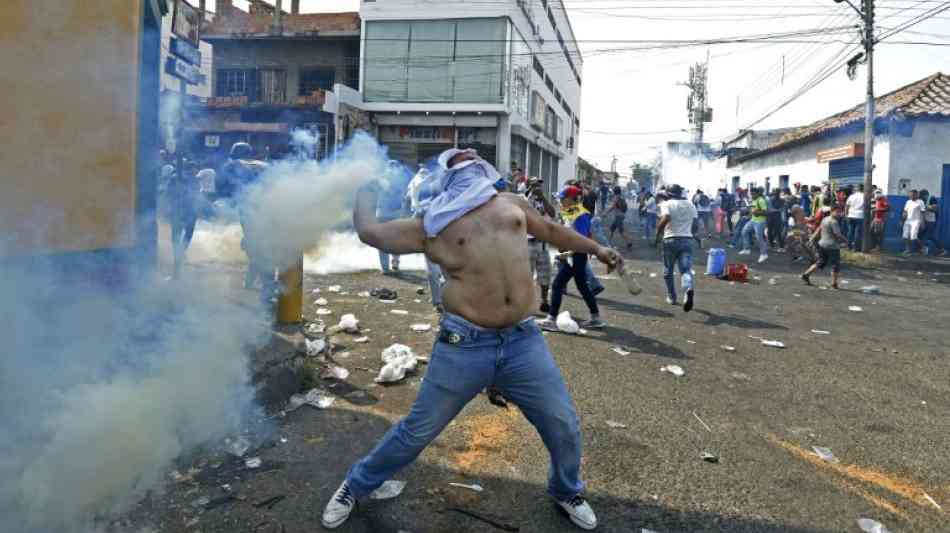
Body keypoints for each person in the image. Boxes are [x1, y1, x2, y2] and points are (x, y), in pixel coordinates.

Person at [322, 148, 621, 531]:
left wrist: (597, 248)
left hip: (522, 341)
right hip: (465, 343)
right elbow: (371, 234)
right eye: (459, 156)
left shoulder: (513, 204)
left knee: (562, 422)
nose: (469, 156)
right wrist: (362, 191)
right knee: (417, 431)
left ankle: (566, 490)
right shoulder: (432, 222)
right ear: (447, 173)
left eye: (473, 154)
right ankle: (355, 485)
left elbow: (550, 230)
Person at [538, 185, 609, 331]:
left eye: (562, 198)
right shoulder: (572, 211)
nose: (560, 201)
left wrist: (569, 252)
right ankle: (596, 318)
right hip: (575, 255)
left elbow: (582, 237)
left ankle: (551, 319)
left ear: (571, 199)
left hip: (576, 256)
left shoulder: (580, 214)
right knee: (582, 287)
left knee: (557, 285)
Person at [221, 142, 276, 299]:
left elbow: (225, 189)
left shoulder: (233, 165)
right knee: (261, 244)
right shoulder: (265, 165)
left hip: (249, 210)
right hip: (272, 209)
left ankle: (267, 283)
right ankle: (252, 280)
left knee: (255, 246)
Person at [406, 166, 446, 312]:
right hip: (448, 244)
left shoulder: (423, 206)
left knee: (433, 272)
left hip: (430, 244)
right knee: (446, 272)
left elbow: (412, 223)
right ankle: (445, 299)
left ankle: (438, 301)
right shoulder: (452, 205)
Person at [655, 184, 697, 312]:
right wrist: (690, 234)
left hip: (671, 240)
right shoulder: (690, 204)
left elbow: (666, 217)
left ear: (668, 194)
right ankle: (688, 288)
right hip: (687, 240)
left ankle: (672, 297)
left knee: (668, 270)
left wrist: (658, 232)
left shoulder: (667, 204)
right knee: (685, 270)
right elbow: (695, 225)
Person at [526, 177, 557, 313]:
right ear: (529, 186)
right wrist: (530, 196)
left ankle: (544, 301)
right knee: (527, 275)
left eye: (539, 185)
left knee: (545, 274)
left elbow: (552, 213)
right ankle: (525, 304)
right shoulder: (524, 199)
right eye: (535, 185)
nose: (538, 188)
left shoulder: (543, 201)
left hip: (543, 243)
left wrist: (542, 197)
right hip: (528, 243)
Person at [802, 204, 848, 289]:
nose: (839, 213)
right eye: (837, 212)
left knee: (820, 262)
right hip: (832, 246)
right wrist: (846, 241)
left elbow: (819, 229)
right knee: (835, 265)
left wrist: (812, 238)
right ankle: (834, 284)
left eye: (840, 212)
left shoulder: (825, 219)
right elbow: (837, 234)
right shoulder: (834, 221)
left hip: (822, 244)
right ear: (832, 211)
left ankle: (806, 274)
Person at [167, 162, 200, 279]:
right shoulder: (194, 180)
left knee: (177, 239)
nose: (195, 171)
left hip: (180, 212)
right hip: (187, 212)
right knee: (184, 237)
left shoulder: (175, 178)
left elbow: (168, 195)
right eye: (193, 169)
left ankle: (178, 261)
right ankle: (179, 257)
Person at [378, 160, 412, 273]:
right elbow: (406, 197)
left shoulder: (380, 179)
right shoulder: (401, 180)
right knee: (396, 240)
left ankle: (385, 268)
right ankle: (395, 262)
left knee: (382, 241)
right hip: (395, 214)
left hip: (383, 214)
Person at [739, 187, 770, 263]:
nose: (752, 195)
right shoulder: (754, 200)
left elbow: (766, 212)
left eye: (753, 194)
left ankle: (764, 254)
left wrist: (757, 213)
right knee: (744, 232)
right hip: (752, 220)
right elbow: (752, 209)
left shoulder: (761, 200)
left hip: (760, 222)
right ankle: (746, 249)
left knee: (759, 238)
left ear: (757, 194)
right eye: (751, 194)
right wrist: (748, 211)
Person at [902, 189, 926, 256]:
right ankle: (907, 250)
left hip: (916, 221)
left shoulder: (920, 202)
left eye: (913, 195)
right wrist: (902, 219)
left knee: (913, 237)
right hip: (908, 221)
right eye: (910, 195)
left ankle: (922, 248)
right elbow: (905, 211)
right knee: (905, 236)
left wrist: (923, 222)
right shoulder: (908, 202)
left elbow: (922, 212)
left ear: (916, 195)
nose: (911, 196)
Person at [845, 184, 865, 250]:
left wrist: (846, 215)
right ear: (863, 189)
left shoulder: (851, 196)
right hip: (860, 216)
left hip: (851, 215)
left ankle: (849, 246)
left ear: (857, 189)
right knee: (857, 233)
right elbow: (866, 207)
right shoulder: (864, 196)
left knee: (850, 231)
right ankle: (856, 248)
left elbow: (847, 206)